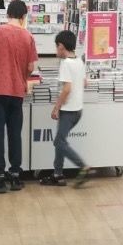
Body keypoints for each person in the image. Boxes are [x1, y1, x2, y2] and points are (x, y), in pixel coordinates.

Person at [0, 0, 36, 194]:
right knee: (14, 134)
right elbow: (30, 67)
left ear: (8, 14)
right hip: (17, 91)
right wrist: (21, 77)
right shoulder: (28, 36)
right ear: (23, 17)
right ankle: (16, 176)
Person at [40, 30, 90, 188]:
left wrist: (56, 107)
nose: (56, 51)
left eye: (56, 47)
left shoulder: (66, 64)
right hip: (78, 110)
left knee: (59, 142)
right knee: (60, 140)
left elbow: (67, 88)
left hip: (68, 111)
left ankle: (83, 166)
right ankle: (58, 174)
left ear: (61, 47)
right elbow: (84, 83)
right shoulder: (79, 61)